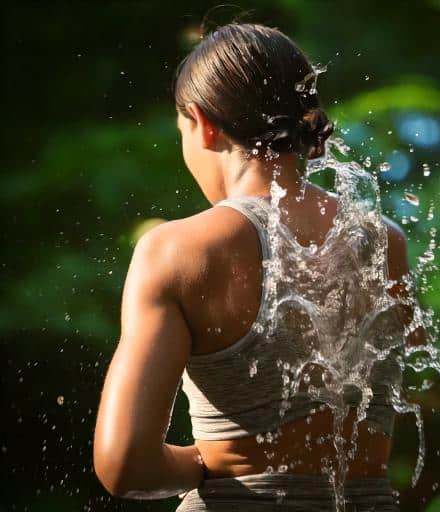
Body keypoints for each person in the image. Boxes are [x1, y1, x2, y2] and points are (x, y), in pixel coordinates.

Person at [93, 22, 422, 511]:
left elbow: (124, 464)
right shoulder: (384, 240)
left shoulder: (176, 250)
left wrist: (202, 461)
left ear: (204, 124)